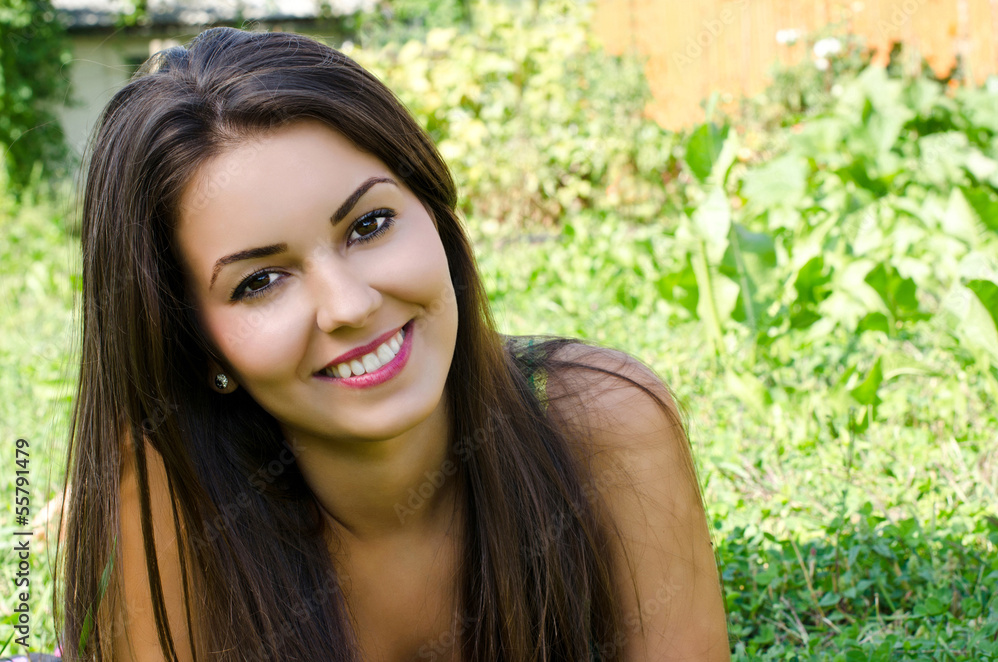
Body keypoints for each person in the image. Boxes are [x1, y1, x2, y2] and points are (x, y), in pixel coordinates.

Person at [58, 27, 729, 662]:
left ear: (435, 214)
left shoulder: (607, 426)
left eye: (369, 224)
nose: (349, 305)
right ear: (197, 343)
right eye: (260, 281)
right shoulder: (157, 511)